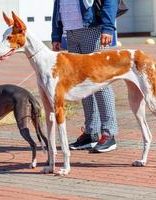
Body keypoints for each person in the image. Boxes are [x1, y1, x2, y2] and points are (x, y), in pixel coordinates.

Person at [51, 0, 118, 153]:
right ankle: (91, 133)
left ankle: (109, 134)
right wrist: (56, 34)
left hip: (93, 30)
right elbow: (58, 6)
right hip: (71, 32)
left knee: (100, 82)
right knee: (83, 84)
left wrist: (108, 27)